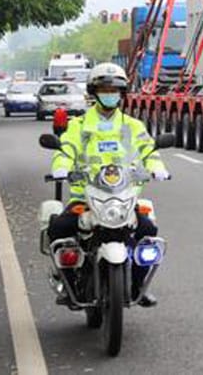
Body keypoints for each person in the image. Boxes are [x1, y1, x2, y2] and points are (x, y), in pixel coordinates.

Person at [48, 62, 170, 302]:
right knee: (59, 228)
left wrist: (158, 169)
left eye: (114, 90)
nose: (110, 94)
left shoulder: (133, 126)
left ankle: (137, 286)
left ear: (122, 94)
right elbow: (66, 149)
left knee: (147, 230)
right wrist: (61, 167)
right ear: (94, 92)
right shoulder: (79, 125)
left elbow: (148, 151)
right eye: (104, 89)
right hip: (85, 198)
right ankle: (67, 282)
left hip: (123, 197)